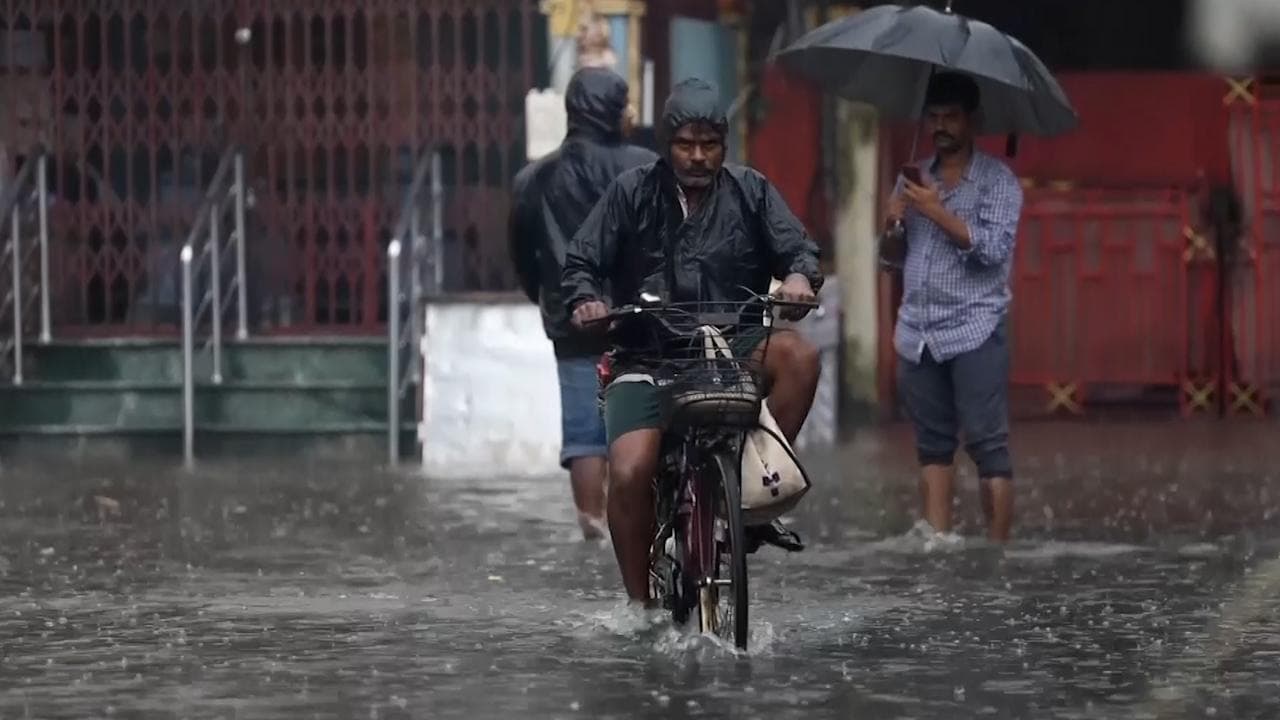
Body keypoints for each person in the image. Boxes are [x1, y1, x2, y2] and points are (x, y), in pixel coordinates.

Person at [561, 77, 824, 606]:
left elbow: (798, 250)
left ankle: (751, 488)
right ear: (666, 143)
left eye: (710, 145)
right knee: (631, 470)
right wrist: (586, 300)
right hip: (647, 352)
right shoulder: (631, 192)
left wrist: (799, 280)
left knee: (800, 355)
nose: (698, 157)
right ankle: (640, 606)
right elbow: (582, 261)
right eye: (686, 144)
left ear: (724, 147)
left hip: (732, 346)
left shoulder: (751, 191)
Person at [509, 67, 658, 540]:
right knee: (640, 417)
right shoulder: (645, 165)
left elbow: (521, 251)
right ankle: (637, 526)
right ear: (618, 110)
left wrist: (547, 297)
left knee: (583, 434)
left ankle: (593, 528)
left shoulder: (534, 177)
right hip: (638, 318)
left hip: (570, 319)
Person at [879, 72, 1024, 543]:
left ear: (972, 121)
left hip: (975, 327)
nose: (941, 126)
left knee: (988, 445)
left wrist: (937, 211)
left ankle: (997, 551)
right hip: (917, 332)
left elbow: (992, 251)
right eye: (934, 116)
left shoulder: (998, 183)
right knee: (932, 449)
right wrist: (894, 224)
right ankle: (937, 546)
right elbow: (889, 261)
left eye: (951, 117)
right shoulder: (913, 179)